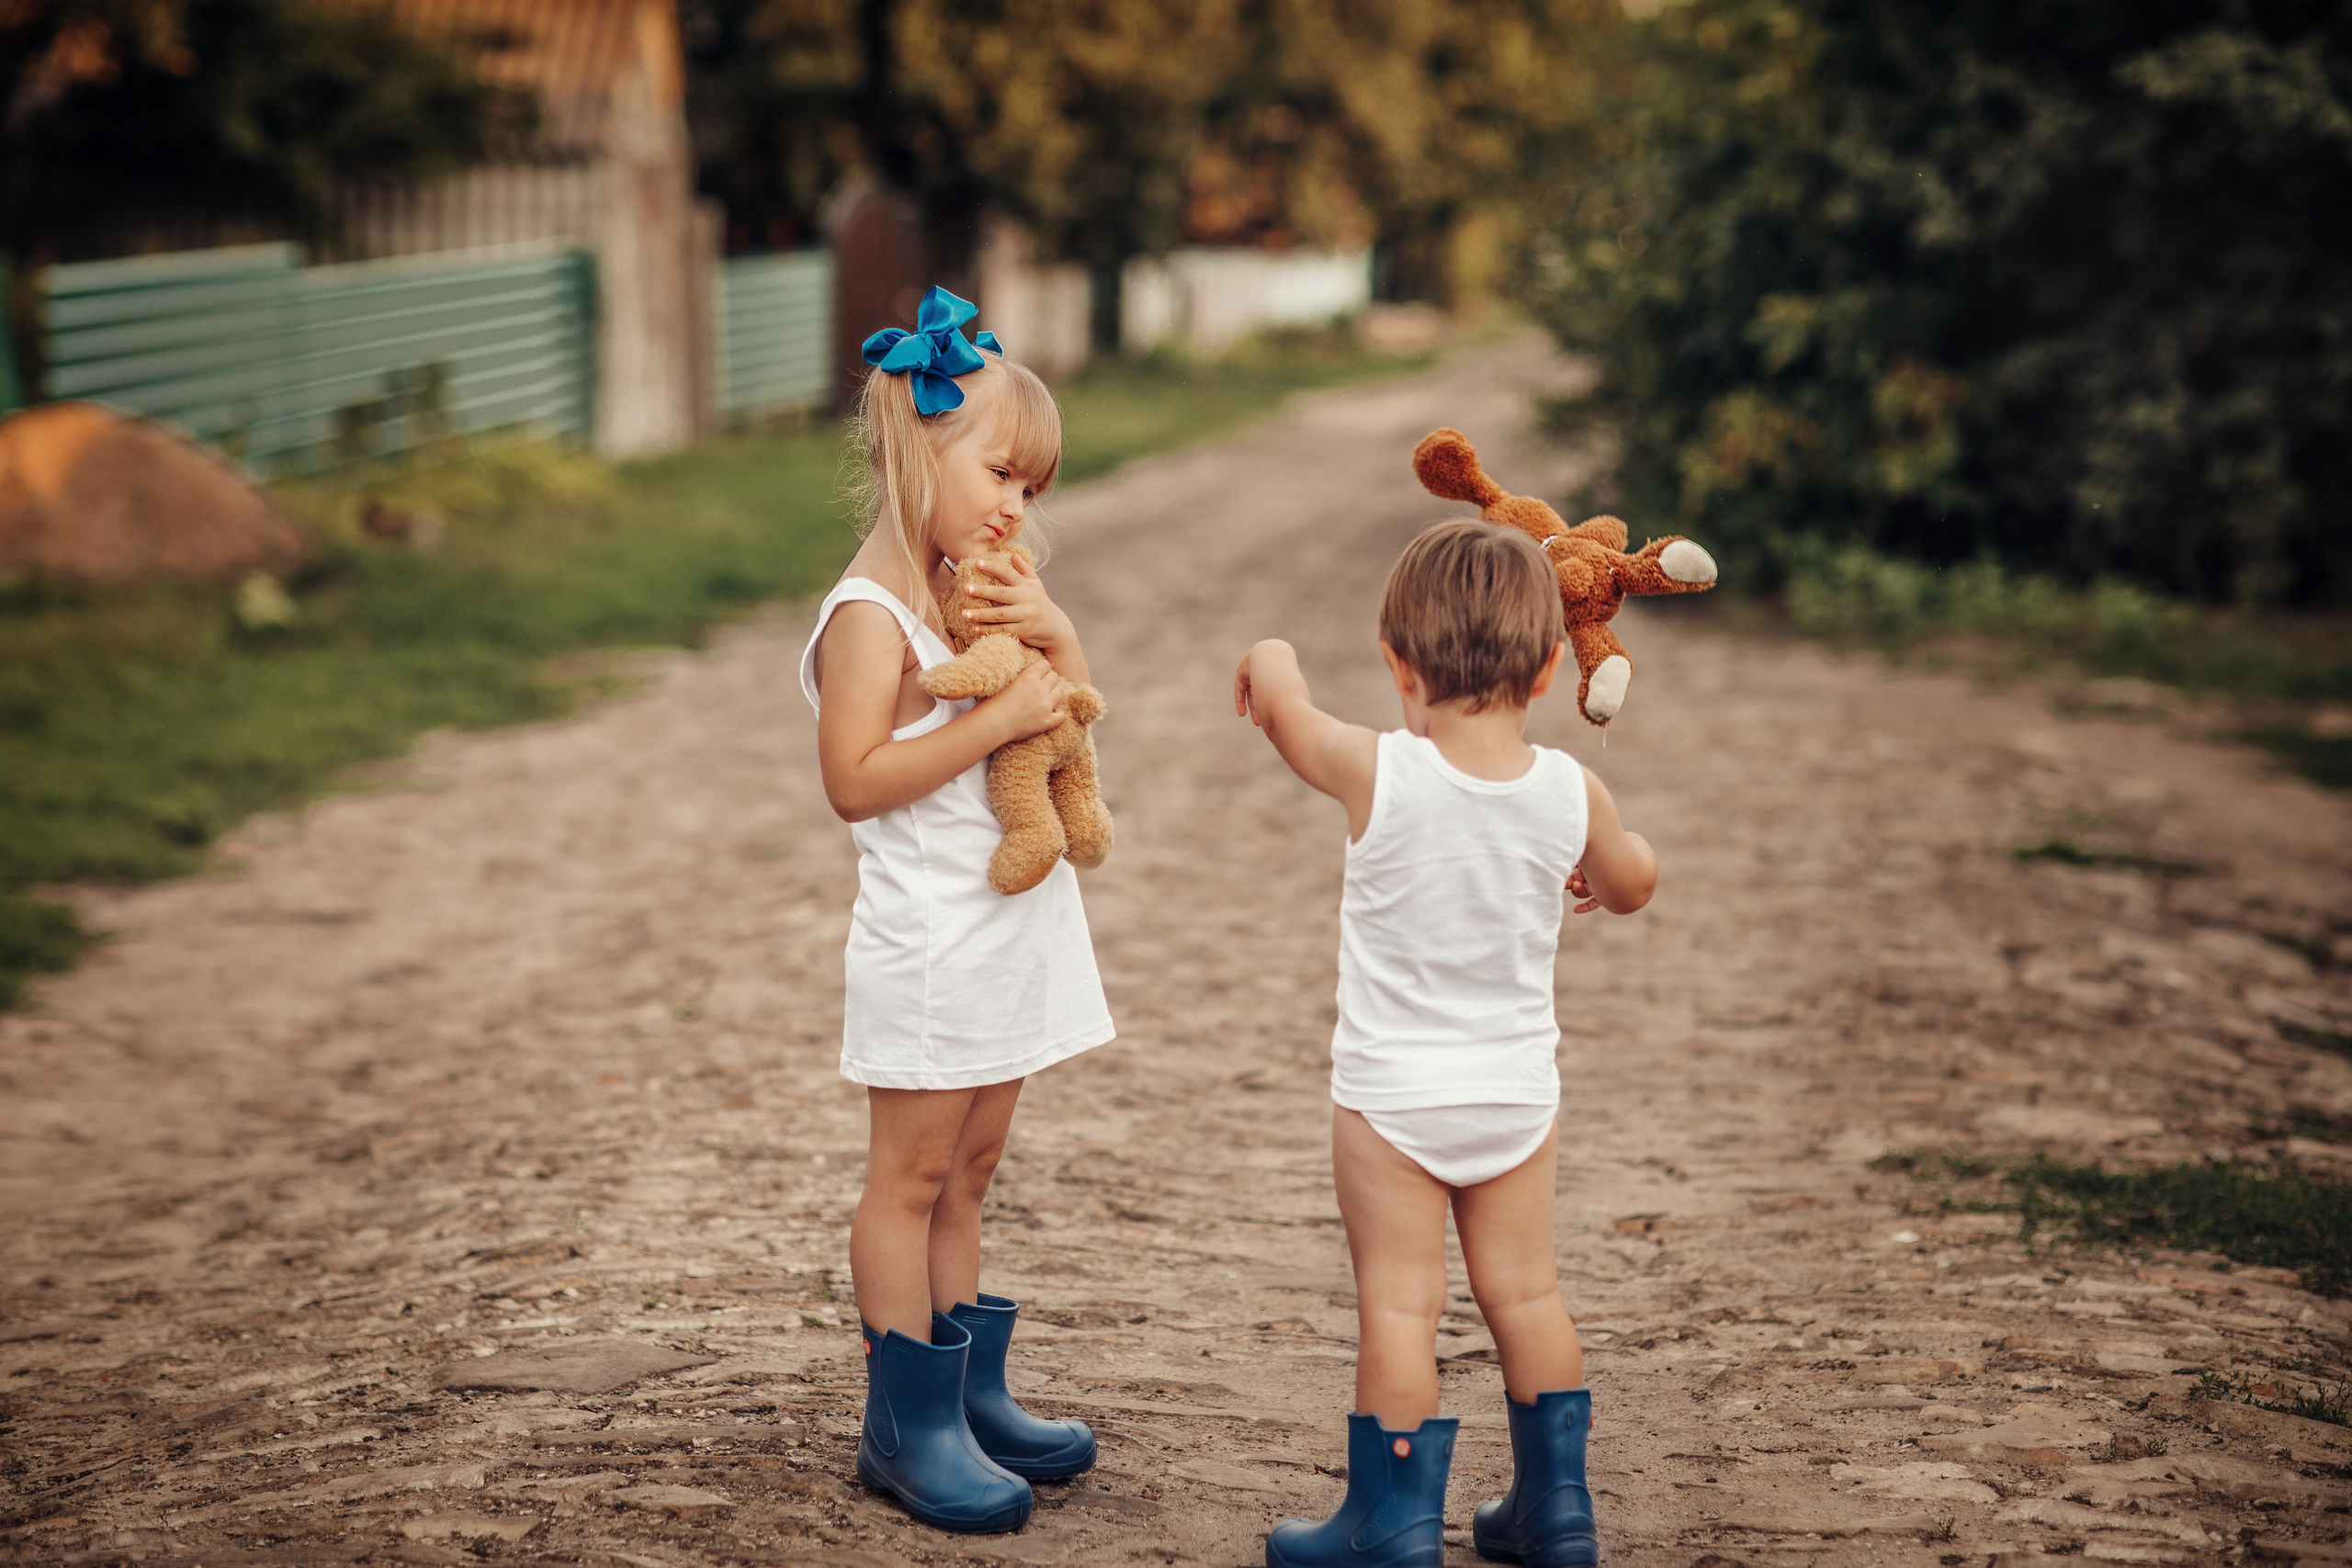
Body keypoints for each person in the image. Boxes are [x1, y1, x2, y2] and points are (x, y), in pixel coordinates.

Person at [1232, 519, 1658, 1568]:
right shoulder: (1569, 791)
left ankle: (1393, 1521)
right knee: (1525, 1294)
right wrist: (1605, 858)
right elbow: (1631, 884)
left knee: (1399, 1304)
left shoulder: (1378, 770)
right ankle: (1556, 1509)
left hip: (1390, 1105)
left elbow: (1285, 713)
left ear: (1397, 666)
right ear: (1554, 667)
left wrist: (1268, 658)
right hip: (1514, 1100)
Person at [799, 287, 1113, 1535]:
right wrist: (990, 718)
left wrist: (1059, 635)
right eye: (1001, 474)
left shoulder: (973, 596)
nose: (1016, 508)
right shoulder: (871, 618)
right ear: (913, 451)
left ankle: (971, 1390)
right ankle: (903, 1419)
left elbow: (1072, 714)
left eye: (1032, 489)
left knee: (973, 1169)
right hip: (929, 946)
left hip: (1012, 932)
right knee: (911, 1173)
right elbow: (854, 780)